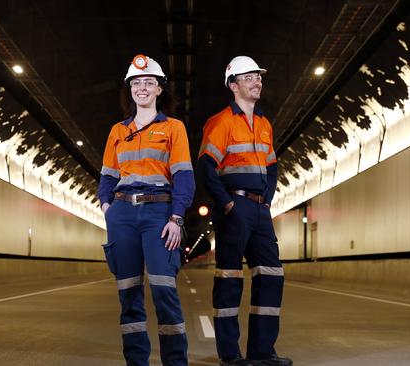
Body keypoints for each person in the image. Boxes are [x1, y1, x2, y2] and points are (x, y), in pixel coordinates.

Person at [98, 54, 195, 366]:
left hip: (158, 213)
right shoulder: (117, 130)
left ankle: (175, 362)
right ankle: (136, 362)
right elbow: (107, 177)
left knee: (164, 291)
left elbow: (183, 175)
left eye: (148, 83)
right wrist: (107, 208)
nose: (142, 88)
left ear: (159, 89)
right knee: (128, 295)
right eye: (136, 83)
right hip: (122, 214)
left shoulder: (173, 128)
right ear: (131, 89)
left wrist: (177, 218)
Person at [197, 56, 292, 366]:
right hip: (234, 208)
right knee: (230, 276)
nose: (257, 81)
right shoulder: (221, 121)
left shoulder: (264, 124)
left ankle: (262, 351)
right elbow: (206, 166)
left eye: (259, 77)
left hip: (259, 209)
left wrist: (266, 199)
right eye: (249, 77)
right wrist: (226, 202)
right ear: (233, 85)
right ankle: (230, 354)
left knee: (271, 275)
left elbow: (273, 166)